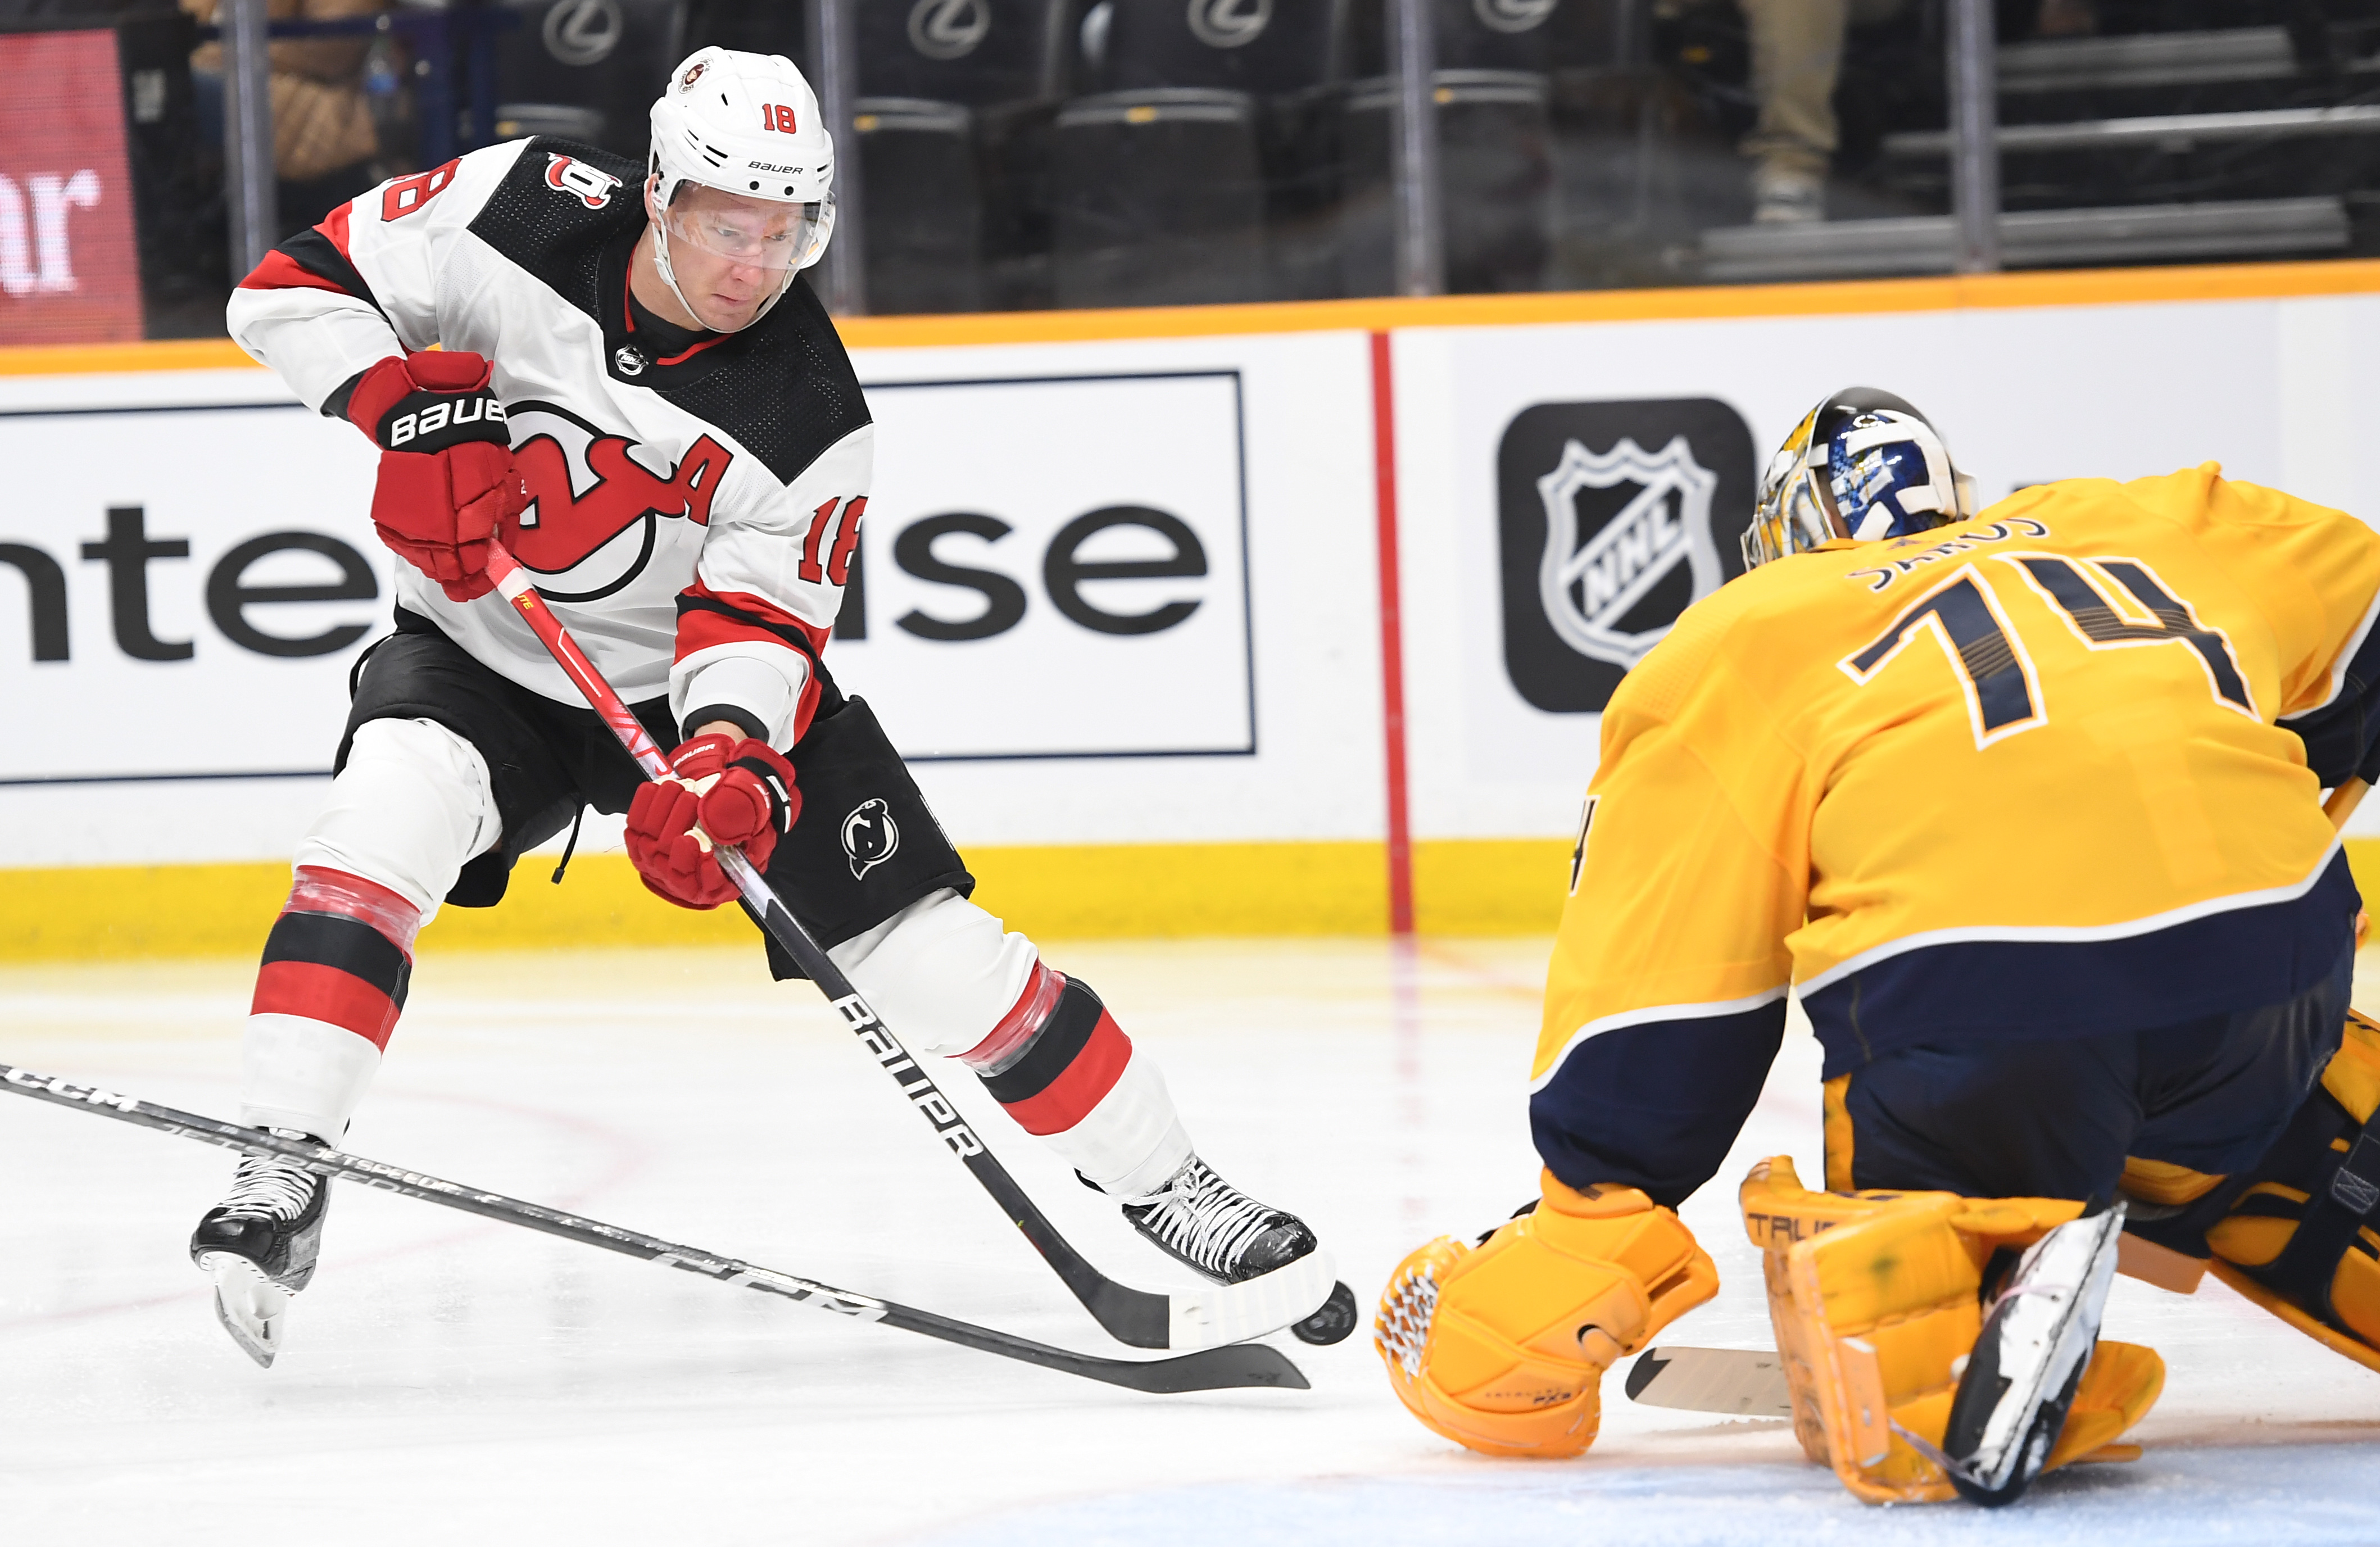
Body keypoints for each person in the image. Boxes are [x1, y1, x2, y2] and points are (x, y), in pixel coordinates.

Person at [189, 46, 1338, 1365]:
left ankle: (1169, 1182)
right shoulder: (514, 207)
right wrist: (393, 409)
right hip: (479, 651)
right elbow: (290, 290)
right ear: (658, 194)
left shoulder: (809, 409)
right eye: (729, 223)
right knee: (376, 825)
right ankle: (279, 1171)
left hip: (684, 690)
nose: (755, 262)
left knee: (931, 953)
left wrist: (732, 754)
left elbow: (758, 622)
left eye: (788, 230)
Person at [1373, 388, 2380, 1505]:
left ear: (1786, 539)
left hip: (1992, 1007)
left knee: (1946, 1184)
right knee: (2228, 1098)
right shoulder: (2151, 520)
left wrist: (1602, 1200)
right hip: (2280, 960)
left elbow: (1662, 1005)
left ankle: (1964, 1313)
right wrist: (2290, 789)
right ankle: (2281, 1178)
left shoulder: (1739, 638)